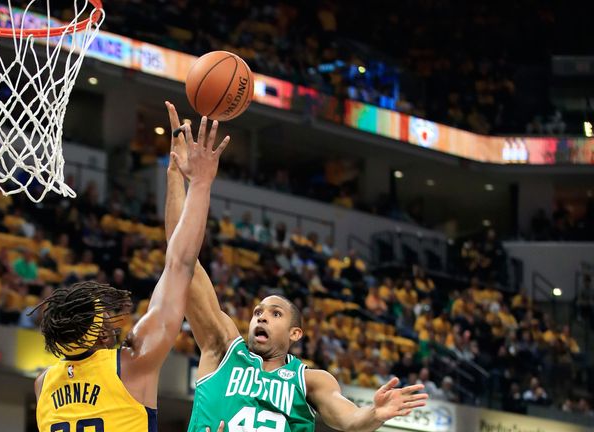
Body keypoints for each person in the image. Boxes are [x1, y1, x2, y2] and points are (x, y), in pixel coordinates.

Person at [163, 102, 427, 432]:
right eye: (259, 311)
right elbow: (180, 259)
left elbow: (348, 418)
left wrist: (374, 413)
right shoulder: (222, 348)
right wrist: (175, 174)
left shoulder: (310, 381)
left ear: (295, 333)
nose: (260, 316)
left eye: (275, 313)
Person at [33, 108, 229, 431]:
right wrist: (198, 182)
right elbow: (180, 264)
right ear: (98, 331)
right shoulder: (132, 363)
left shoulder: (43, 385)